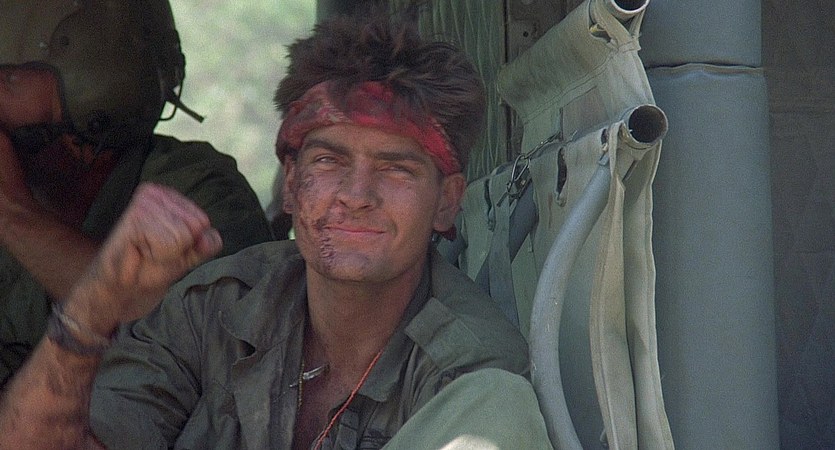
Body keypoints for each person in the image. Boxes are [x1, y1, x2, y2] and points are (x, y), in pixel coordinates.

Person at [0, 9, 553, 450]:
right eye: (328, 161)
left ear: (446, 203)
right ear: (290, 187)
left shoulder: (472, 375)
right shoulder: (211, 310)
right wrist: (91, 310)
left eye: (396, 169)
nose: (356, 195)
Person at [0, 0, 273, 386]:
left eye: (8, 80)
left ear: (97, 85)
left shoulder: (198, 191)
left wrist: (13, 215)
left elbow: (194, 352)